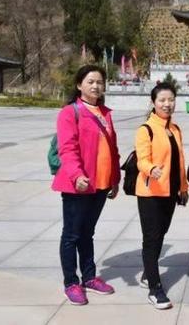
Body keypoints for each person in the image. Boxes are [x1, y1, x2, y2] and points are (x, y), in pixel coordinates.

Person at [52, 64, 119, 305]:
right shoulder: (71, 112)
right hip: (78, 185)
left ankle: (89, 277)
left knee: (87, 233)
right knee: (71, 235)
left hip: (100, 185)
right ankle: (71, 282)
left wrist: (115, 179)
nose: (95, 86)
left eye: (99, 82)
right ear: (79, 85)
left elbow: (113, 149)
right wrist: (77, 174)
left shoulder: (105, 112)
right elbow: (67, 148)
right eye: (90, 81)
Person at [135, 82, 189, 310]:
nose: (167, 104)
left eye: (170, 100)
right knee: (152, 237)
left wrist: (183, 187)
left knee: (160, 234)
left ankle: (149, 272)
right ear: (153, 103)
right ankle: (155, 288)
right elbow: (142, 159)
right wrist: (151, 169)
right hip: (150, 192)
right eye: (162, 100)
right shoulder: (146, 129)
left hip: (170, 192)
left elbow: (180, 161)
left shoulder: (174, 129)